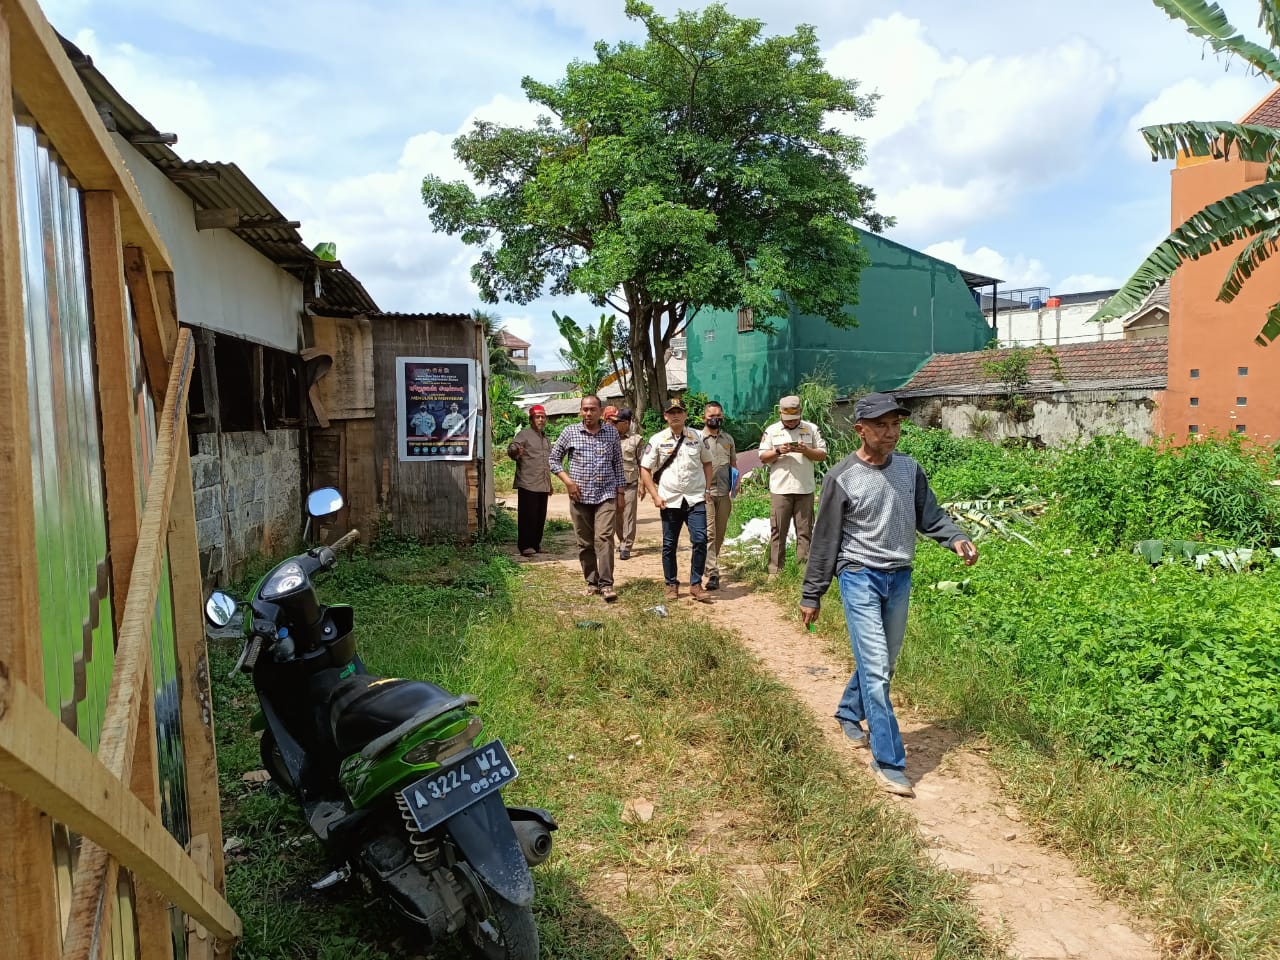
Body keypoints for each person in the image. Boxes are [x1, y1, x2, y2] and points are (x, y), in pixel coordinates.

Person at [799, 392, 978, 798]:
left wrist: (955, 538)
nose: (891, 432)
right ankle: (889, 760)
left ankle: (848, 711)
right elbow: (825, 541)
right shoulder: (841, 477)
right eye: (881, 425)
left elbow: (930, 516)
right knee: (877, 668)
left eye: (896, 424)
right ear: (860, 429)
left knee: (884, 662)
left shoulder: (909, 470)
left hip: (899, 577)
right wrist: (813, 594)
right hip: (859, 575)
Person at [548, 395, 626, 602]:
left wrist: (620, 494)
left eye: (592, 409)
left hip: (606, 494)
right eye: (585, 409)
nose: (588, 413)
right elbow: (553, 460)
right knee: (584, 542)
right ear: (580, 411)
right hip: (579, 496)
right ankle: (592, 582)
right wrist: (568, 482)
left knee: (604, 538)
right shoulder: (570, 432)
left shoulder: (611, 433)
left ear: (600, 411)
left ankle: (607, 584)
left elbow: (618, 464)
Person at [641, 399, 713, 602]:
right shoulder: (657, 440)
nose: (675, 416)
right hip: (669, 500)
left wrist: (707, 489)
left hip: (695, 498)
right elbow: (645, 469)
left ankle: (696, 584)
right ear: (665, 416)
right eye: (671, 412)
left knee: (700, 540)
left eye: (679, 412)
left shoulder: (698, 437)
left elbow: (708, 463)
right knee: (669, 544)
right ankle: (671, 584)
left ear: (685, 415)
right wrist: (655, 495)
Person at [758, 394, 827, 575]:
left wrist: (806, 450)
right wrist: (779, 450)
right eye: (787, 420)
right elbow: (763, 457)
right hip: (780, 489)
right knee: (778, 531)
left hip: (805, 488)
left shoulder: (811, 429)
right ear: (780, 413)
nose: (790, 423)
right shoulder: (772, 431)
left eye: (794, 419)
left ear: (800, 413)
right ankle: (775, 570)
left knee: (805, 531)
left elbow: (822, 455)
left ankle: (804, 571)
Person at [699, 401, 736, 591]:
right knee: (710, 533)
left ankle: (708, 563)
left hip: (724, 492)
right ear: (703, 418)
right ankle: (713, 572)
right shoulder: (698, 439)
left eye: (719, 415)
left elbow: (733, 465)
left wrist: (736, 485)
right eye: (712, 416)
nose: (716, 419)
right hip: (706, 494)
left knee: (720, 534)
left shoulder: (727, 439)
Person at [506, 404, 552, 557]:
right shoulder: (524, 435)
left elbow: (547, 463)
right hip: (527, 482)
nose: (541, 420)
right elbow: (512, 448)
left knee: (540, 517)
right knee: (528, 516)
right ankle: (525, 546)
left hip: (543, 483)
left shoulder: (546, 439)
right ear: (531, 420)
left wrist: (550, 484)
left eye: (543, 417)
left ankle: (536, 545)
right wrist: (515, 451)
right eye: (537, 417)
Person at [613, 408, 643, 560]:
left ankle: (627, 546)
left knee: (629, 515)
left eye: (617, 422)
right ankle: (621, 540)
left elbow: (642, 463)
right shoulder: (610, 438)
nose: (613, 424)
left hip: (630, 483)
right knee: (617, 515)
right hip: (612, 485)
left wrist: (643, 484)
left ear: (625, 423)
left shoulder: (636, 440)